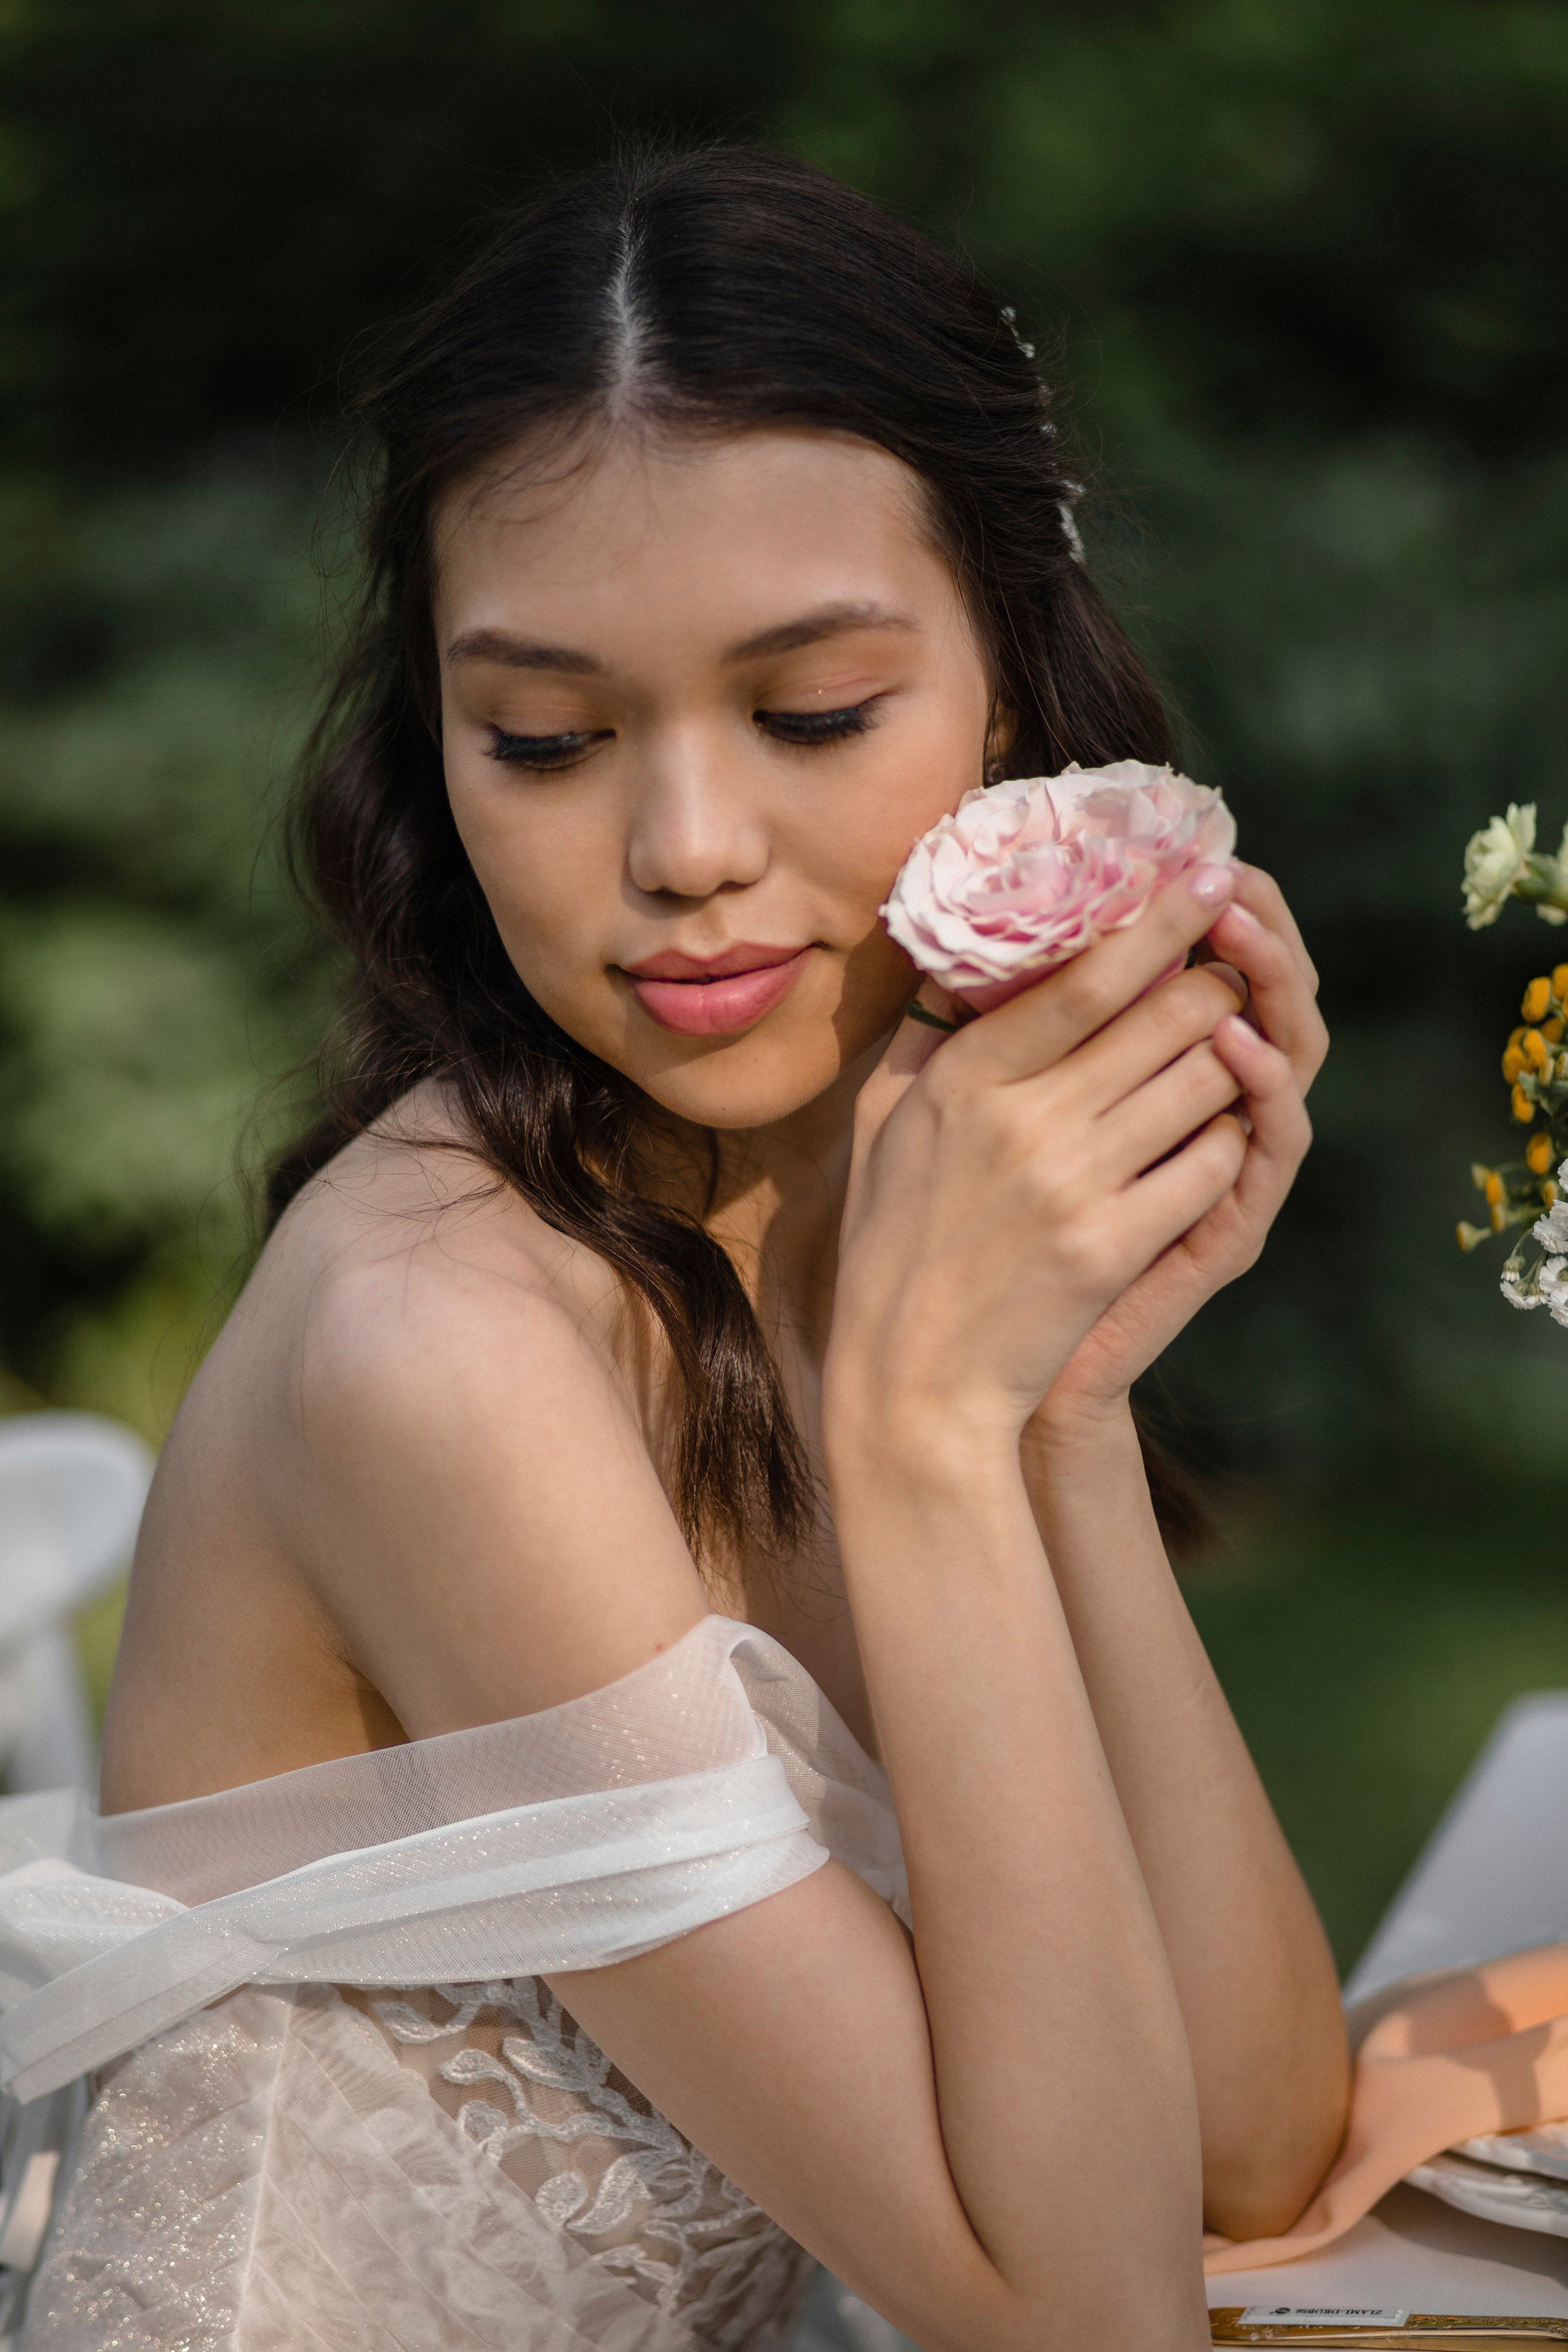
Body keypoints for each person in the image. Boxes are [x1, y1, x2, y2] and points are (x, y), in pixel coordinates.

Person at [0, 146, 1346, 2351]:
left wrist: (1063, 1411)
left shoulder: (883, 1223)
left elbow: (1248, 2152)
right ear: (436, 741)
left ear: (1008, 684)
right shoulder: (433, 1351)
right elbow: (1088, 2319)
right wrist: (926, 1437)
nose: (685, 851)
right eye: (543, 738)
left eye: (811, 713)